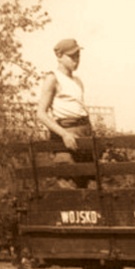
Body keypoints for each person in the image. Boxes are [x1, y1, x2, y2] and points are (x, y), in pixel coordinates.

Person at [36, 38, 94, 189]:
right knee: (70, 187)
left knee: (91, 185)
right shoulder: (52, 78)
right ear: (59, 56)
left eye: (78, 56)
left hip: (84, 134)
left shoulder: (77, 81)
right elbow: (41, 114)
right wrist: (64, 134)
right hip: (66, 135)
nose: (76, 60)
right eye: (72, 56)